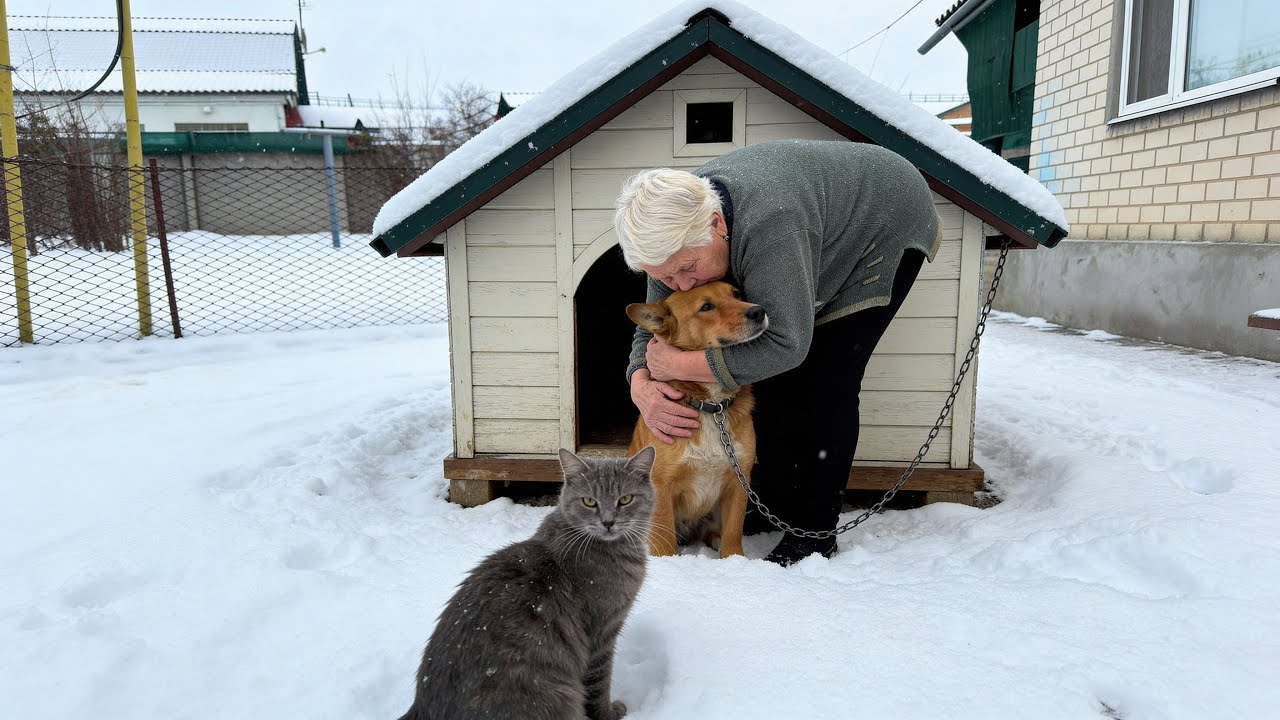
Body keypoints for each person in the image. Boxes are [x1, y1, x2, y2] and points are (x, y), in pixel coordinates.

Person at [614, 139, 941, 566]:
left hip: (883, 216)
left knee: (827, 377)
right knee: (766, 369)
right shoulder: (670, 243)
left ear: (716, 224)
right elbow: (658, 325)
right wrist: (641, 383)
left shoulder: (773, 224)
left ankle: (815, 533)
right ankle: (770, 502)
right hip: (800, 216)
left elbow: (788, 345)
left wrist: (679, 364)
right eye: (664, 276)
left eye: (687, 270)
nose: (680, 284)